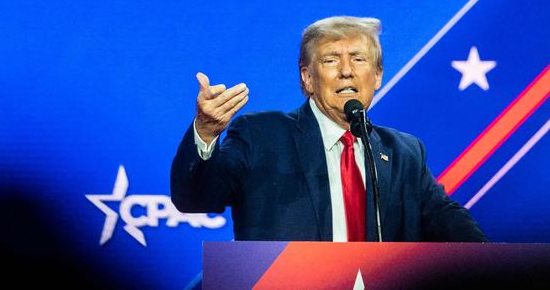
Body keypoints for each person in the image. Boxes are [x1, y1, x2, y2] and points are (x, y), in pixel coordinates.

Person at [170, 16, 486, 242]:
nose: (347, 71)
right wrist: (206, 132)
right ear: (307, 78)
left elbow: (450, 223)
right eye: (331, 60)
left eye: (359, 59)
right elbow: (195, 198)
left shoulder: (403, 152)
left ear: (377, 77)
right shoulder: (262, 135)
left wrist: (498, 265)